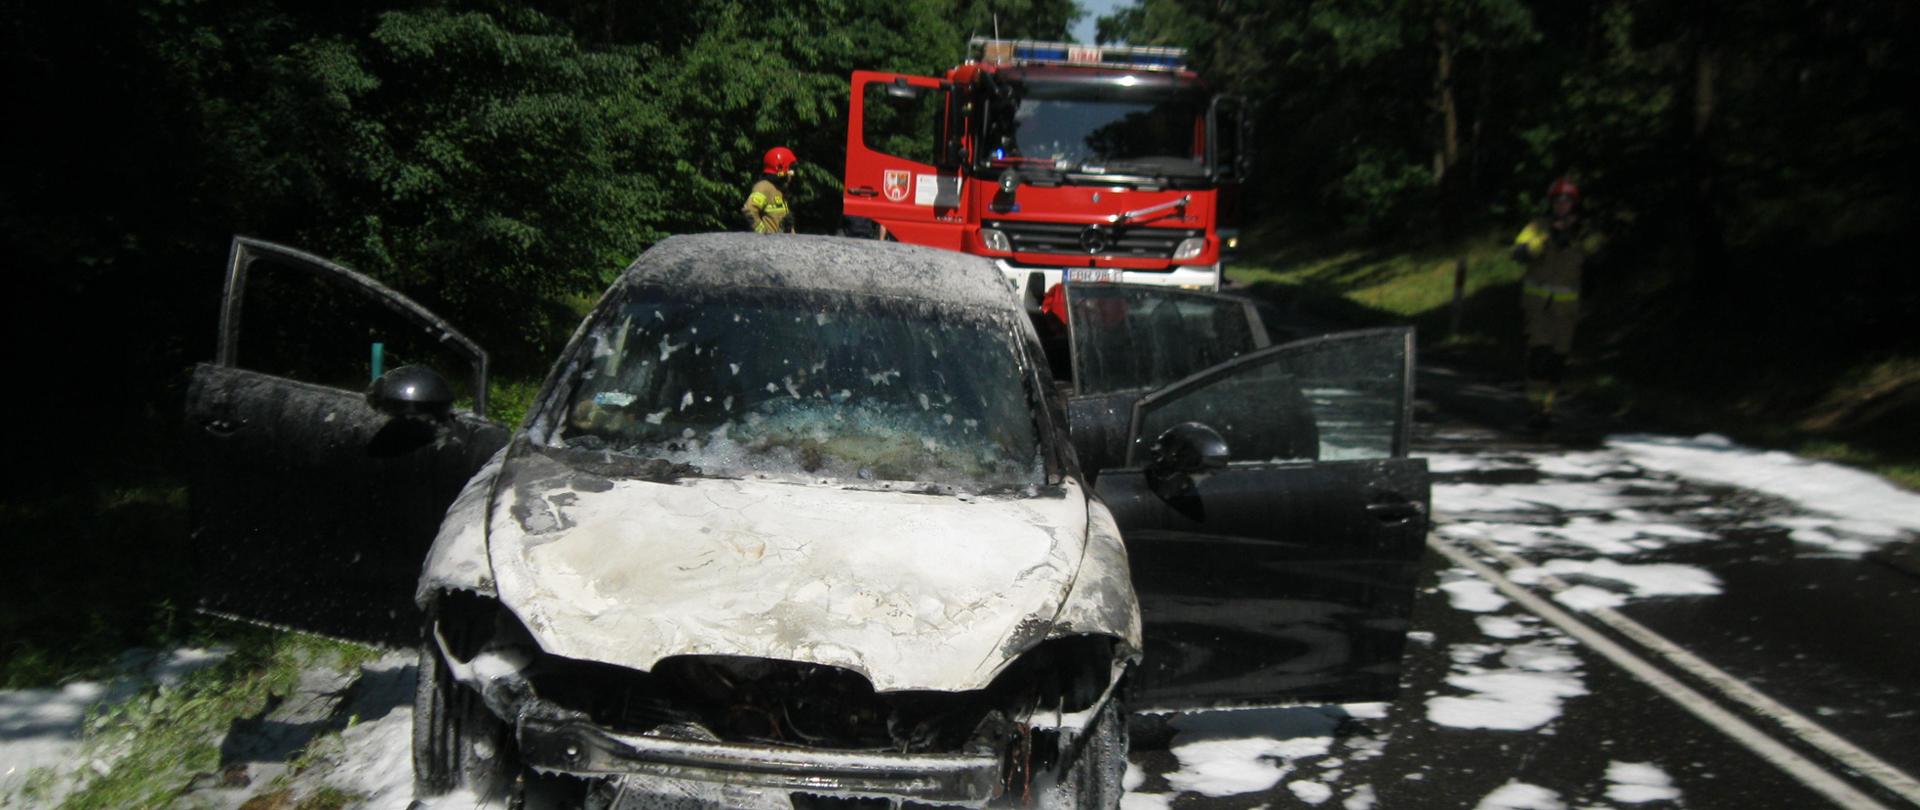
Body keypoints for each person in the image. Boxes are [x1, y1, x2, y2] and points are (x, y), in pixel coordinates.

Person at [1510, 177, 1592, 422]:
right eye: (1558, 200)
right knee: (1540, 355)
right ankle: (1535, 408)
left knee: (1558, 359)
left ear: (1574, 203)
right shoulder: (1538, 226)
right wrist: (1544, 240)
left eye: (1567, 200)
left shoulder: (1584, 231)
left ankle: (1548, 406)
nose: (1562, 205)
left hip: (1566, 309)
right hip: (1539, 306)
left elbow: (1592, 261)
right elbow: (1520, 250)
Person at [742, 146, 798, 234]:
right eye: (790, 169)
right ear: (780, 168)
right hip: (768, 246)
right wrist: (763, 234)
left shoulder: (780, 190)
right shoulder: (763, 187)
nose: (792, 174)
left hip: (782, 245)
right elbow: (749, 211)